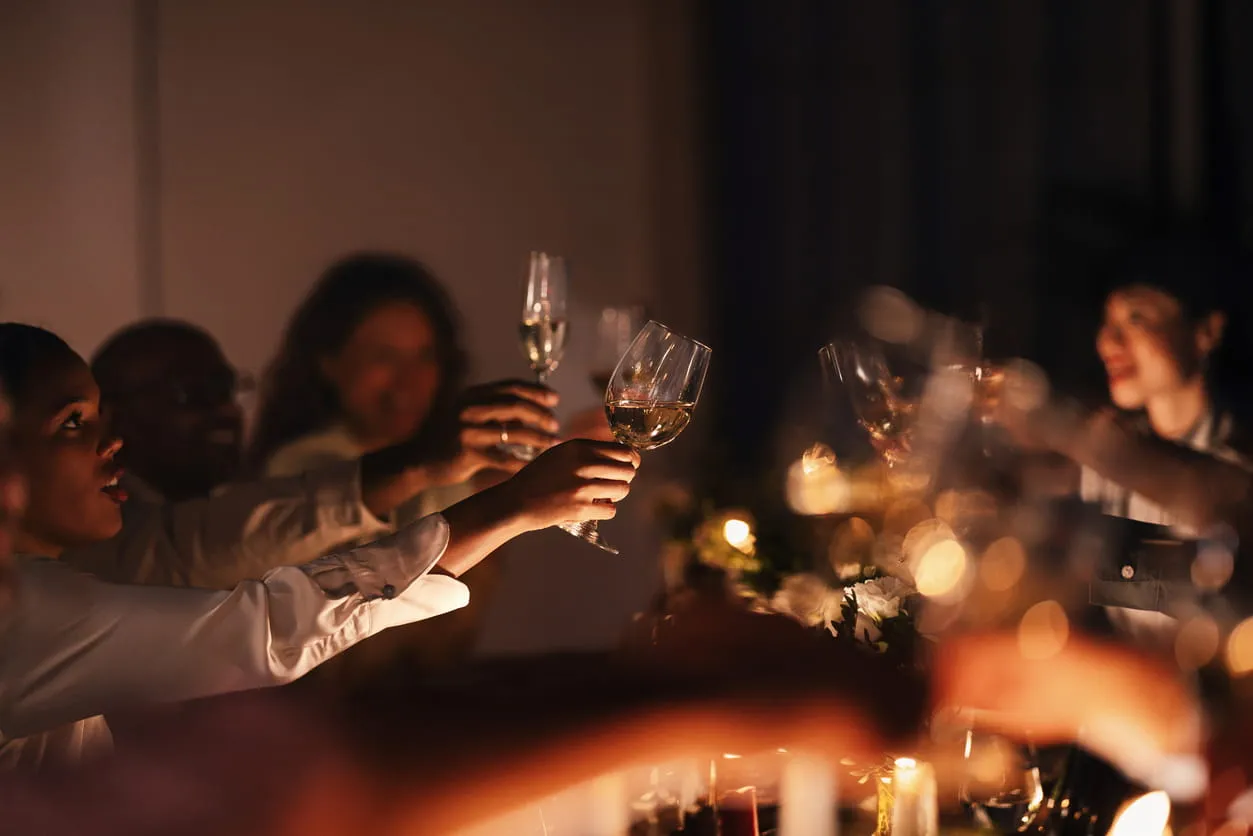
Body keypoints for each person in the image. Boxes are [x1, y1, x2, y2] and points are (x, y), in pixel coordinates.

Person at [0, 322, 640, 770]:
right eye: (73, 423)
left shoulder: (42, 583)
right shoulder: (22, 617)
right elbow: (271, 628)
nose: (112, 444)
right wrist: (509, 508)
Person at [991, 237, 1253, 649]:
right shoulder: (1106, 459)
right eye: (1106, 322)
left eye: (1135, 318)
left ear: (1206, 331)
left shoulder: (1233, 454)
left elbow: (1225, 582)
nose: (1108, 342)